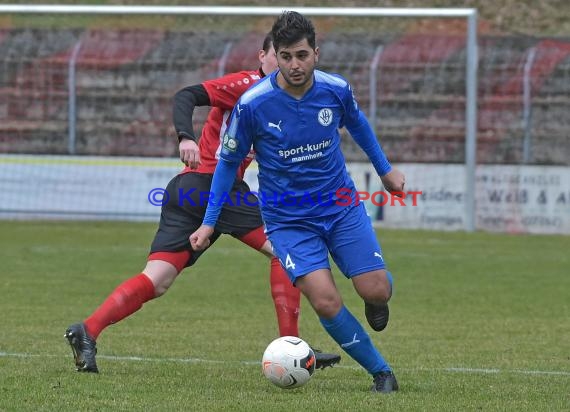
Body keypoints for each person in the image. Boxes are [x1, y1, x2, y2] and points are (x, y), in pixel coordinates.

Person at [64, 33, 340, 373]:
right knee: (287, 251)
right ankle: (292, 346)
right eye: (279, 56)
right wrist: (185, 136)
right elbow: (186, 95)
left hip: (187, 191)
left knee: (158, 279)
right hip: (210, 185)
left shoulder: (280, 101)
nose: (287, 64)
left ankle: (87, 330)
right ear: (264, 56)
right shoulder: (247, 84)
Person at [190, 12, 405, 393]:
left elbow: (358, 124)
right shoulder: (253, 104)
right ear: (275, 55)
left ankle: (375, 298)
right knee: (324, 300)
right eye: (286, 56)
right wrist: (209, 221)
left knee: (375, 289)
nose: (294, 65)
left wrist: (385, 171)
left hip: (339, 206)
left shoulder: (335, 90)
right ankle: (381, 372)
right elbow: (226, 164)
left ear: (316, 53)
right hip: (288, 221)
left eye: (302, 55)